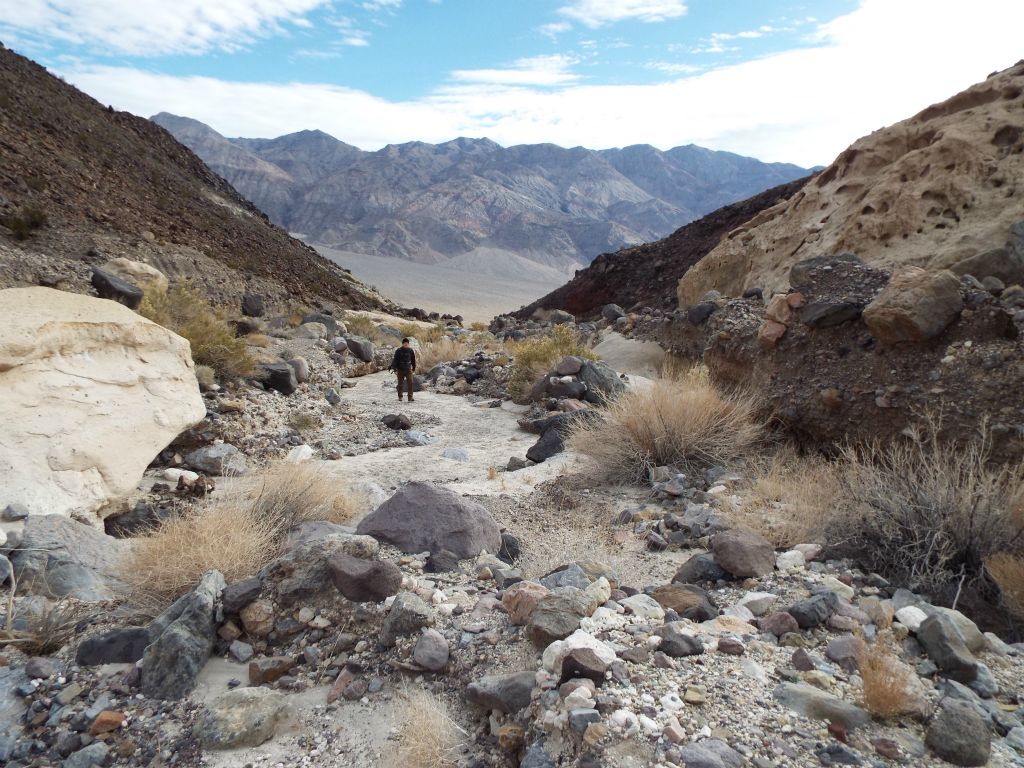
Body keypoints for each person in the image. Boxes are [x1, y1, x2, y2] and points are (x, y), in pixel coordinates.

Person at [390, 338, 417, 402]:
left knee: (410, 383)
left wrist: (414, 368)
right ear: (402, 344)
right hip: (400, 369)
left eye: (407, 344)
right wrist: (395, 369)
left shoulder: (410, 351)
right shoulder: (398, 351)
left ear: (408, 344)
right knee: (400, 384)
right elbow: (395, 360)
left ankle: (410, 397)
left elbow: (413, 360)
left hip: (408, 369)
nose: (406, 345)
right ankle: (400, 397)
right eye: (404, 343)